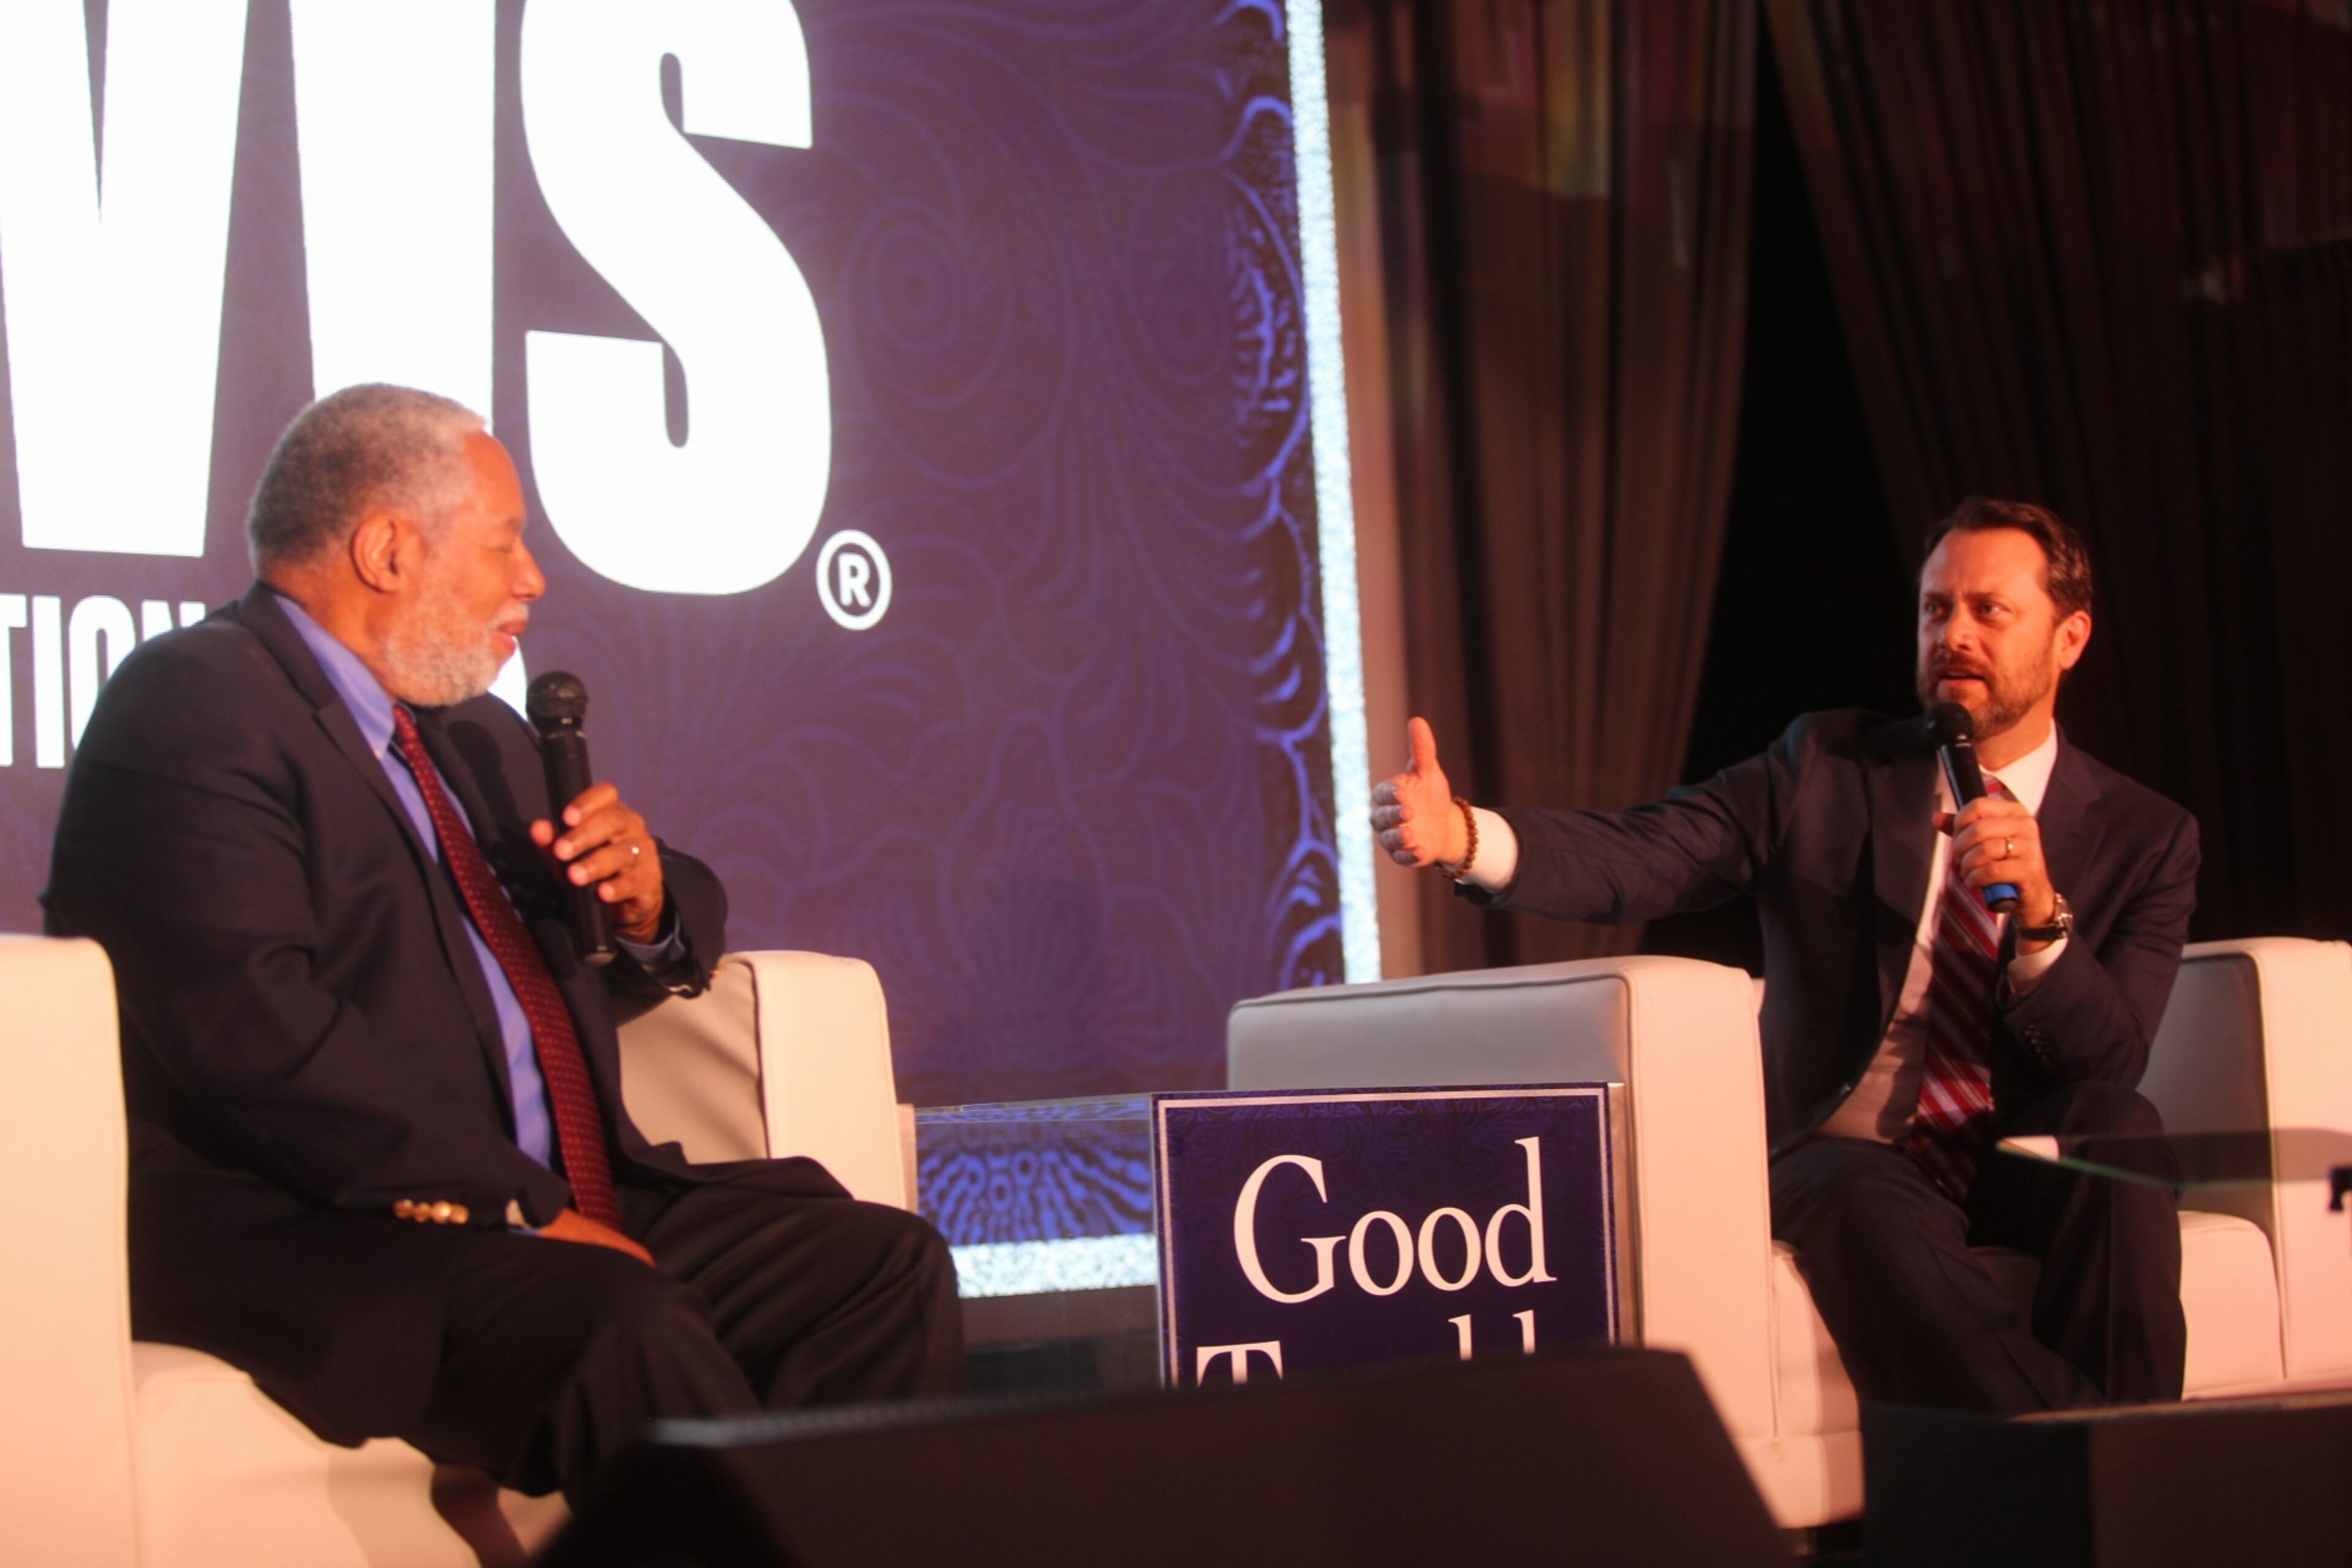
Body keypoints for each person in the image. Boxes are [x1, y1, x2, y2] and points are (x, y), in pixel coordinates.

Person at [44, 383, 963, 1504]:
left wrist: (646, 901)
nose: (533, 578)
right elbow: (256, 1036)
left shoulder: (477, 733)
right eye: (504, 543)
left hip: (564, 1193)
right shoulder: (193, 702)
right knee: (620, 1323)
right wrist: (519, 1206)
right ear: (388, 549)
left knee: (876, 1268)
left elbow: (665, 910)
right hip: (330, 1227)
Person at [1370, 498, 2196, 1411]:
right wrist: (1464, 836)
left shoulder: (2147, 837)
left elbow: (2107, 1062)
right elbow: (1650, 854)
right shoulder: (1828, 768)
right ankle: (2113, 1460)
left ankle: (2123, 1459)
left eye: (1988, 610)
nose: (1953, 634)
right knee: (1860, 1193)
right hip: (1848, 1155)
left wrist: (2041, 921)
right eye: (1935, 609)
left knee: (2118, 1126)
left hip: (2016, 1154)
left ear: (2070, 637)